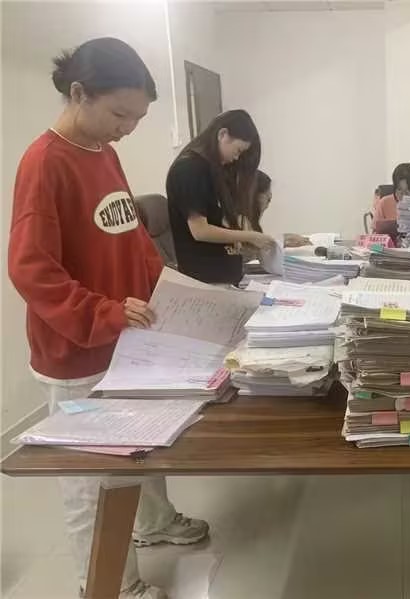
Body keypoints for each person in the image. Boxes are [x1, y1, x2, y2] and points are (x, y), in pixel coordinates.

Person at [7, 38, 208, 599]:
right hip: (77, 351)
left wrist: (172, 291)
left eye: (138, 118)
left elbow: (132, 240)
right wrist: (101, 311)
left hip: (127, 339)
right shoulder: (44, 162)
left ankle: (154, 523)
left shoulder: (103, 152)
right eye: (120, 114)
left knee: (141, 444)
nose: (128, 129)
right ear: (79, 93)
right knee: (90, 478)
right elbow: (30, 268)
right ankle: (107, 585)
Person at [166, 109, 276, 285]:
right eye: (238, 150)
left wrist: (270, 240)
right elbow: (200, 231)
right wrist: (249, 236)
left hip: (227, 279)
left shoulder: (213, 170)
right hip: (205, 281)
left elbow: (221, 221)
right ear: (222, 134)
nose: (236, 157)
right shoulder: (189, 169)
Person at [252, 170, 309, 249]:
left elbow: (255, 247)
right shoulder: (241, 223)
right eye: (268, 198)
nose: (267, 205)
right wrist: (281, 241)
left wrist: (282, 241)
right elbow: (249, 250)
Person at [372, 162, 410, 234]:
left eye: (408, 190)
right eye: (400, 190)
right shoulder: (384, 203)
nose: (404, 196)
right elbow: (374, 235)